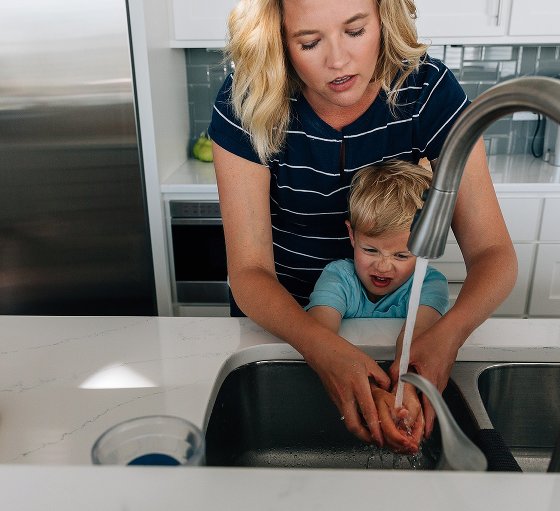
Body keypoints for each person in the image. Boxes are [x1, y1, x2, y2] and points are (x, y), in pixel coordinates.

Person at [209, 0, 517, 450]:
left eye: (355, 31)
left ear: (382, 18)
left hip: (397, 329)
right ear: (280, 41)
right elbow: (249, 272)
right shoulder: (247, 100)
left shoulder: (426, 92)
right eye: (309, 42)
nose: (338, 61)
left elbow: (493, 254)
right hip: (283, 329)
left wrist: (446, 335)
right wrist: (320, 346)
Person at [305, 160, 447, 453]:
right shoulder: (338, 278)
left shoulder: (430, 284)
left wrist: (406, 391)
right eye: (370, 250)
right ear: (352, 235)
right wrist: (373, 395)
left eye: (401, 255)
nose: (383, 266)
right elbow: (319, 332)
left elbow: (417, 337)